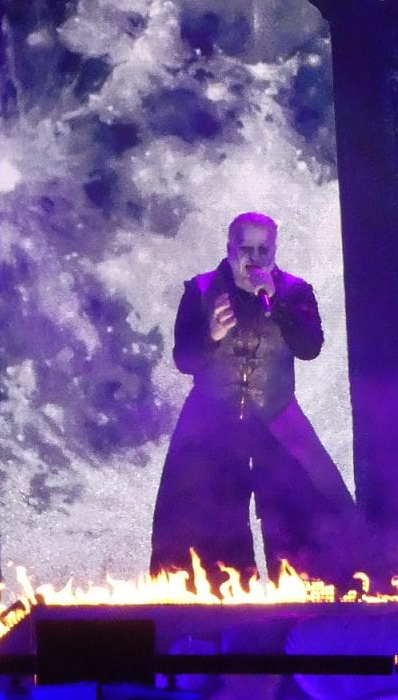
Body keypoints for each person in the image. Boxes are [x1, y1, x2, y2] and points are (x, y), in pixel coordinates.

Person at [149, 212, 358, 580]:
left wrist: (278, 304)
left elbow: (309, 348)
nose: (255, 259)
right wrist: (211, 335)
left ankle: (308, 588)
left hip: (276, 413)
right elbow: (185, 360)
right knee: (195, 513)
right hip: (211, 418)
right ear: (230, 249)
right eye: (247, 249)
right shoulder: (200, 290)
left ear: (274, 250)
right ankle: (216, 592)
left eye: (264, 250)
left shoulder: (295, 292)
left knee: (309, 504)